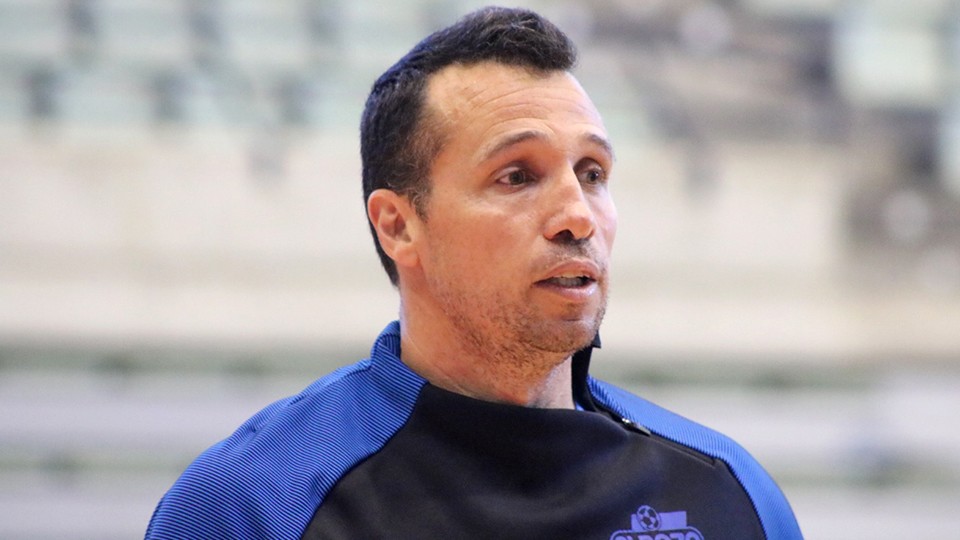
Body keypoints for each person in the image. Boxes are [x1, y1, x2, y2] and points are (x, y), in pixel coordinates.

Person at [146, 7, 803, 539]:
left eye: (593, 174)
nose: (577, 216)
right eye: (517, 176)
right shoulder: (249, 508)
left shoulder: (728, 493)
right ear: (399, 225)